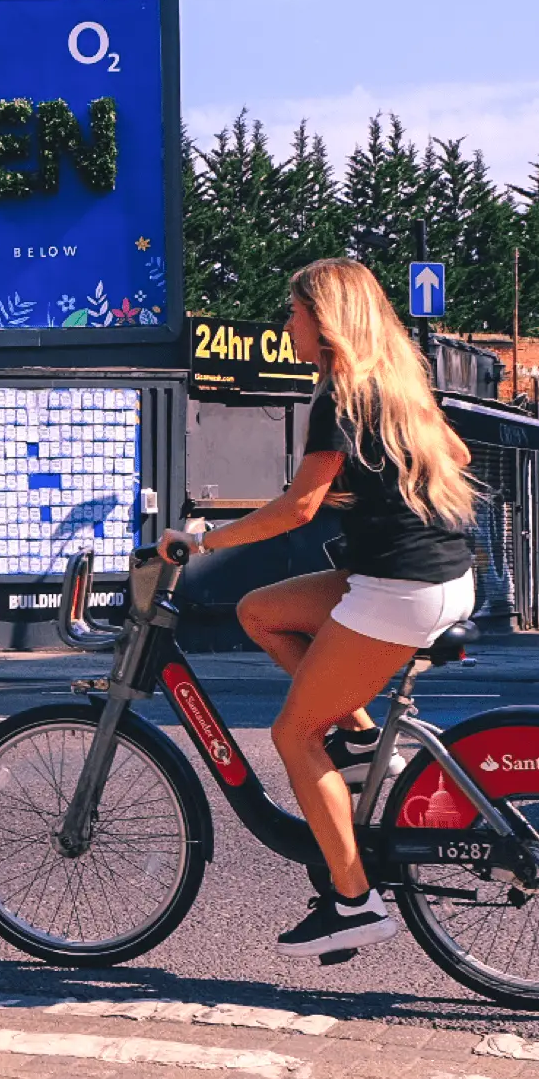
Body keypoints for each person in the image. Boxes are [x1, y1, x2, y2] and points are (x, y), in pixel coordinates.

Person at [159, 259, 477, 957]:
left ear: (327, 320)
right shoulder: (396, 384)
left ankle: (353, 900)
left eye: (293, 312)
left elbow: (298, 508)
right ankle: (362, 742)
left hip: (400, 588)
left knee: (293, 735)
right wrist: (366, 494)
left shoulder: (342, 397)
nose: (286, 324)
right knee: (260, 611)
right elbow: (445, 453)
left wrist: (200, 540)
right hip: (433, 574)